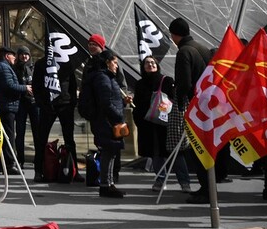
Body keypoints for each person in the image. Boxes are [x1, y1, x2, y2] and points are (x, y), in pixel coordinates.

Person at [168, 17, 217, 203]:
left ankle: (206, 190)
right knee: (206, 146)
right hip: (209, 103)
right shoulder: (203, 48)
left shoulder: (184, 52)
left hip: (195, 105)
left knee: (197, 148)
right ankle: (208, 187)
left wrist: (181, 102)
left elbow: (184, 82)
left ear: (174, 35)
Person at [131, 55, 190, 192]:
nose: (150, 65)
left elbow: (175, 99)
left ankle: (184, 182)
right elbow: (138, 104)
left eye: (152, 62)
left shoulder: (167, 81)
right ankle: (160, 180)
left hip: (166, 124)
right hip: (148, 125)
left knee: (175, 153)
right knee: (155, 154)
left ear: (157, 65)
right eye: (147, 63)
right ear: (143, 67)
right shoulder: (140, 84)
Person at [32, 37, 82, 183]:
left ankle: (74, 171)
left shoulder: (67, 64)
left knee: (69, 140)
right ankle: (38, 171)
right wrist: (43, 104)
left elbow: (72, 85)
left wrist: (72, 102)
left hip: (65, 104)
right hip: (48, 106)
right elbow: (36, 87)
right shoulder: (41, 64)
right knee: (41, 139)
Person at [85, 49, 127, 198]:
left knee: (111, 153)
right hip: (107, 122)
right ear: (107, 62)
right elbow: (106, 103)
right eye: (114, 62)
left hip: (107, 121)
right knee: (108, 154)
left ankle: (109, 183)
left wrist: (122, 102)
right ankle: (105, 185)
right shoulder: (103, 78)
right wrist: (118, 115)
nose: (116, 66)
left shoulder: (107, 77)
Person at [0, 46, 30, 173]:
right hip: (6, 107)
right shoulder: (3, 67)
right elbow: (9, 86)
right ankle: (9, 164)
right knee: (9, 136)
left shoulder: (2, 66)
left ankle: (2, 164)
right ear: (7, 56)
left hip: (5, 105)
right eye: (13, 56)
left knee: (4, 136)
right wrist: (25, 88)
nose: (14, 58)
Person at [13, 46, 39, 169]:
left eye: (26, 54)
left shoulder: (34, 68)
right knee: (20, 132)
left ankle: (39, 159)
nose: (24, 56)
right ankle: (20, 159)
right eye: (22, 54)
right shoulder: (14, 69)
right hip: (20, 103)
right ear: (18, 55)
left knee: (37, 132)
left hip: (33, 103)